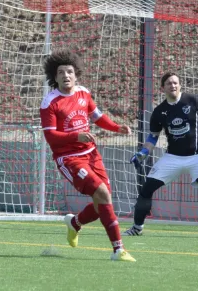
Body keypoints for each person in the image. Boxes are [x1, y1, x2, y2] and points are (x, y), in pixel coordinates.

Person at [40, 50, 136, 262]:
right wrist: (76, 135)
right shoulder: (50, 103)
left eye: (70, 72)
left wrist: (116, 127)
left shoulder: (83, 93)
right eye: (61, 72)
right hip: (69, 159)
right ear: (54, 77)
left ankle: (75, 223)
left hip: (92, 154)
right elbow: (51, 137)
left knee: (102, 200)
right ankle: (118, 250)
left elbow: (97, 117)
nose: (66, 75)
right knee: (103, 194)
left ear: (76, 75)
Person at [123, 72, 198, 240]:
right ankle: (137, 227)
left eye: (175, 83)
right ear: (163, 88)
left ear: (180, 85)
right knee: (146, 189)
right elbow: (153, 136)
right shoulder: (159, 111)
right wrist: (143, 152)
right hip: (172, 157)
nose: (172, 85)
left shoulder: (193, 100)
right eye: (169, 83)